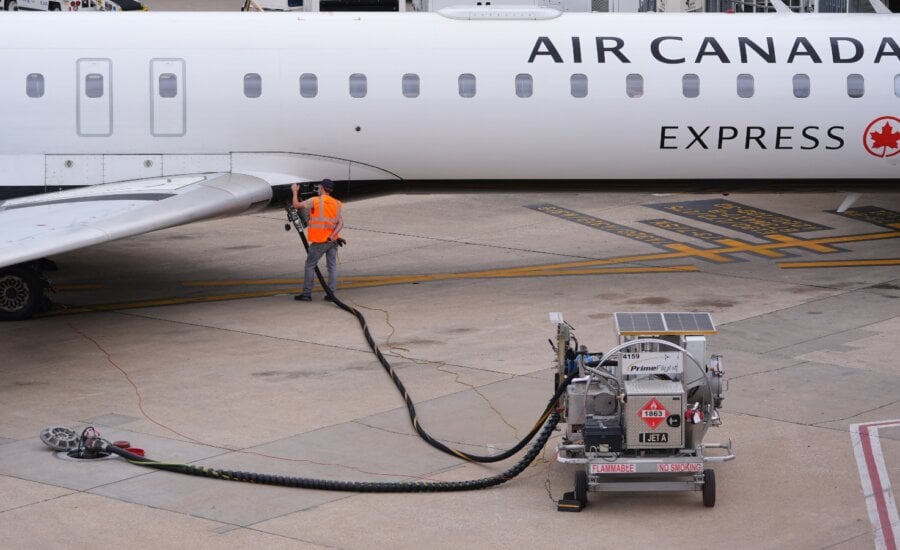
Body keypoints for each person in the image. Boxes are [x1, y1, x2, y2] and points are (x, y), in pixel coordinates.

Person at [291, 179, 344, 302]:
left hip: (320, 241)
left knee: (310, 265)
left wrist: (294, 191)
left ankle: (306, 294)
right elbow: (341, 223)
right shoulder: (337, 203)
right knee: (332, 267)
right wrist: (334, 236)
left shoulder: (316, 201)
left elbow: (296, 205)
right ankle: (331, 295)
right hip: (333, 241)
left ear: (322, 188)